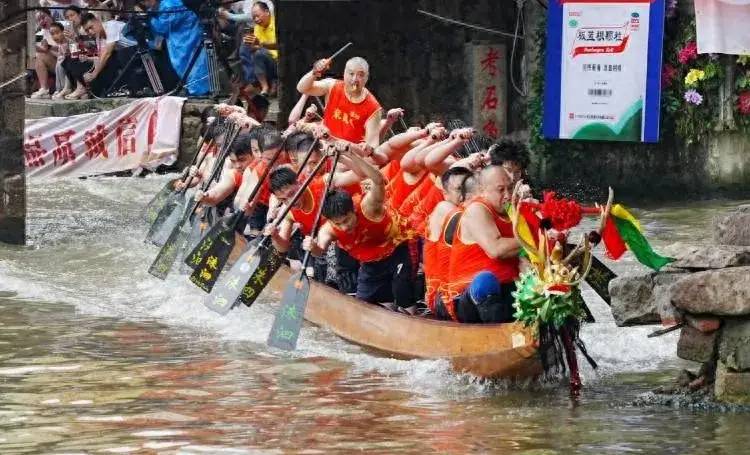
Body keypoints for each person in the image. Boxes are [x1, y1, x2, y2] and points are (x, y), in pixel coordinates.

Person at [302, 145, 416, 312]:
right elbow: (320, 250)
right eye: (338, 223)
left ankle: (410, 316)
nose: (344, 226)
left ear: (352, 210)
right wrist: (312, 248)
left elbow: (377, 179)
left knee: (402, 290)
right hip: (370, 264)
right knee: (361, 306)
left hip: (397, 250)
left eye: (347, 220)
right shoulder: (328, 229)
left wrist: (350, 154)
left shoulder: (368, 207)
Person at [440, 165, 521, 323]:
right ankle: (500, 339)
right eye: (501, 190)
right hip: (470, 295)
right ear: (483, 190)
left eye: (510, 188)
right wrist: (538, 239)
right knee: (486, 281)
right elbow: (496, 250)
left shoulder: (513, 210)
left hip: (506, 288)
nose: (508, 195)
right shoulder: (477, 209)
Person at [297, 56, 383, 152]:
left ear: (367, 78)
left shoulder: (373, 107)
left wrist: (352, 148)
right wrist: (314, 72)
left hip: (348, 156)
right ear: (344, 73)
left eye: (361, 75)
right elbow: (302, 88)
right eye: (351, 74)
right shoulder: (332, 85)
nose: (354, 79)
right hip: (322, 146)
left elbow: (371, 148)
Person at [146, 0, 210, 96]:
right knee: (192, 65)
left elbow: (162, 27)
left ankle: (199, 92)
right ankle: (195, 90)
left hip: (186, 38)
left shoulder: (169, 4)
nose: (145, 5)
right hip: (184, 37)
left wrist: (151, 18)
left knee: (193, 64)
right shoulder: (169, 3)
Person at [80, 13, 139, 96]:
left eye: (91, 27)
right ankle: (103, 91)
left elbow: (107, 53)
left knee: (114, 56)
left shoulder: (111, 25)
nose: (90, 32)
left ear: (97, 21)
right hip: (127, 54)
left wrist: (94, 74)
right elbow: (101, 58)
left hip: (138, 49)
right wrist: (90, 74)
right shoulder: (98, 38)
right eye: (87, 30)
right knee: (101, 64)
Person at [236, 1, 278, 97]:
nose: (256, 19)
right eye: (254, 17)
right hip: (265, 59)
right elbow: (256, 48)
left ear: (267, 12)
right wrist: (250, 45)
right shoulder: (257, 27)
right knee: (245, 48)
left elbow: (279, 45)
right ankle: (261, 85)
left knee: (259, 53)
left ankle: (269, 84)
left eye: (258, 16)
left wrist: (260, 44)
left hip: (279, 61)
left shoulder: (276, 23)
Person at [30, 9, 60, 99]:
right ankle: (41, 88)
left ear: (50, 15)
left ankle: (44, 89)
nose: (41, 21)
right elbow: (40, 51)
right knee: (34, 57)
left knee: (40, 55)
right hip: (52, 64)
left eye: (43, 17)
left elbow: (66, 49)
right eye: (38, 20)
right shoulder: (40, 34)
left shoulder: (61, 27)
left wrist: (49, 48)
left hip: (64, 61)